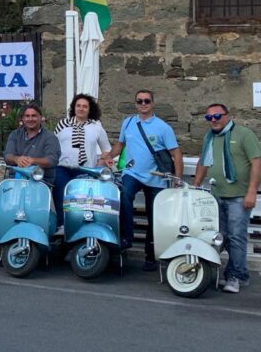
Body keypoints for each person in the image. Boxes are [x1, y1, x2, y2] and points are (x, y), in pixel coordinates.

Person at [110, 89, 183, 272]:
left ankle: (150, 257)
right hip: (132, 173)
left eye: (147, 101)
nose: (143, 104)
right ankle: (127, 236)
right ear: (135, 103)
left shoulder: (163, 127)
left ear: (153, 103)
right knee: (124, 194)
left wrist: (178, 178)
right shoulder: (127, 123)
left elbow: (176, 154)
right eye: (139, 101)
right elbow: (120, 144)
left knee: (154, 217)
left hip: (156, 178)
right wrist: (108, 156)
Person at [0, 103, 61, 260]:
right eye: (27, 116)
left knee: (37, 212)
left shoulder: (50, 137)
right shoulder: (15, 135)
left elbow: (52, 159)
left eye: (34, 116)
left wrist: (32, 160)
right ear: (22, 119)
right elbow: (7, 155)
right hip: (15, 180)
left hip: (40, 182)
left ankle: (41, 245)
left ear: (40, 118)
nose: (30, 119)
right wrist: (17, 158)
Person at [193, 103, 261, 294]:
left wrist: (252, 192)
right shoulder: (209, 137)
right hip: (216, 196)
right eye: (209, 117)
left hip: (239, 197)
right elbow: (204, 162)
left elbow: (257, 162)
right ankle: (241, 274)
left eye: (217, 116)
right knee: (222, 237)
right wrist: (195, 185)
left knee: (236, 236)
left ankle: (235, 277)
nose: (213, 120)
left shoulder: (244, 134)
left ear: (227, 116)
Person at [53, 93, 112, 214]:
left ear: (90, 109)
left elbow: (106, 149)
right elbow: (53, 146)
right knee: (60, 194)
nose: (81, 108)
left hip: (85, 169)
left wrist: (100, 162)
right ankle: (62, 224)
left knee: (80, 199)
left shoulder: (96, 127)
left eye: (85, 106)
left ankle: (78, 223)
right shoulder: (62, 124)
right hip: (62, 167)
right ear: (73, 108)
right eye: (78, 105)